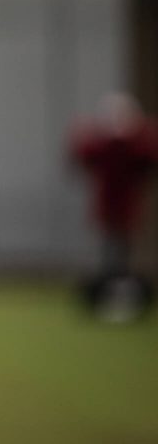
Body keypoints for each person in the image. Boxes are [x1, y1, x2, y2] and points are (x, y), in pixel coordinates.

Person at [69, 91, 158, 320]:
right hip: (111, 208)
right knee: (111, 251)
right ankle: (110, 294)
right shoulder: (107, 145)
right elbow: (81, 157)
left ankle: (121, 294)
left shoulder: (130, 145)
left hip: (124, 208)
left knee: (121, 252)